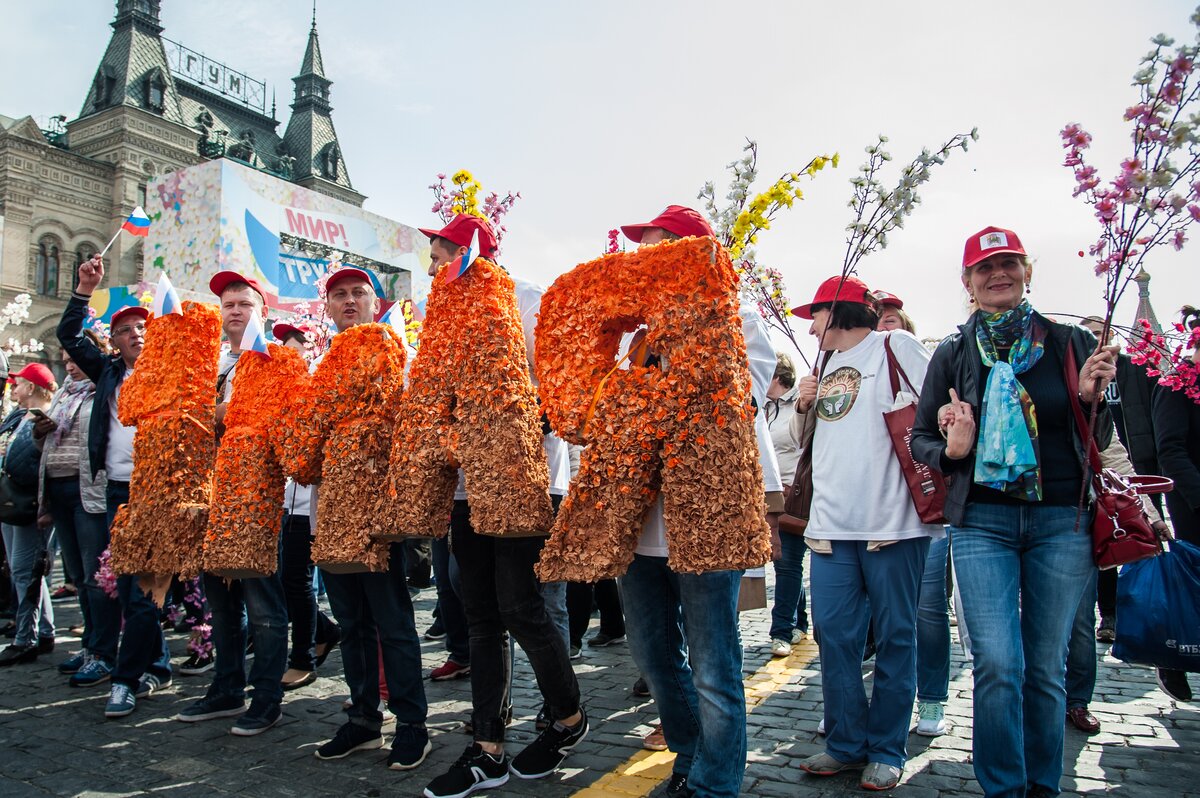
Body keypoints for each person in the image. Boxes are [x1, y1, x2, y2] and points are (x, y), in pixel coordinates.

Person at [911, 226, 1118, 798]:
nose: (997, 274)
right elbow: (921, 438)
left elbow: (1095, 433)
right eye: (985, 267)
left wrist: (1093, 399)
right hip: (981, 521)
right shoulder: (954, 353)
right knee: (999, 663)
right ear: (967, 282)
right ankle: (1003, 787)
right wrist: (952, 451)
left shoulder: (1069, 342)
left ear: (1027, 271)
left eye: (1008, 264)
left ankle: (1041, 784)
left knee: (1045, 668)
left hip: (1061, 520)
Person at [612, 205, 781, 798]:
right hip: (638, 522)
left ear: (687, 251)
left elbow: (744, 393)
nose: (642, 256)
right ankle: (688, 756)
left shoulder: (736, 312)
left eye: (654, 243)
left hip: (707, 515)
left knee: (713, 662)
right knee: (654, 654)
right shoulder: (633, 332)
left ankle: (716, 783)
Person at [418, 214, 586, 798]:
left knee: (522, 606)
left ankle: (567, 715)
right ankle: (486, 746)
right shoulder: (440, 312)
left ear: (468, 250)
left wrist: (508, 429)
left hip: (523, 477)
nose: (434, 262)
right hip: (465, 484)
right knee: (481, 615)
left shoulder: (524, 299)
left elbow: (559, 385)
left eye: (440, 250)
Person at [790, 276, 941, 791]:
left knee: (897, 637)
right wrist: (803, 404)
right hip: (829, 525)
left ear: (840, 312)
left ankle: (887, 749)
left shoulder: (895, 345)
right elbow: (801, 442)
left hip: (891, 524)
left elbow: (939, 409)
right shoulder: (824, 364)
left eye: (815, 315)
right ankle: (846, 743)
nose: (810, 327)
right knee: (834, 637)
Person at [310, 267, 430, 771]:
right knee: (353, 623)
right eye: (340, 294)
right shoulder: (320, 365)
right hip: (330, 514)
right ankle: (363, 719)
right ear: (329, 307)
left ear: (376, 303)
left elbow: (413, 426)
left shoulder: (397, 353)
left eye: (359, 292)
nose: (350, 300)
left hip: (377, 515)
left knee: (393, 622)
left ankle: (412, 726)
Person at [175, 271, 289, 735]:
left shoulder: (276, 359)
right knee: (220, 599)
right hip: (208, 494)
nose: (236, 311)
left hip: (256, 496)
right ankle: (226, 687)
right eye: (228, 305)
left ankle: (266, 697)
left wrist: (218, 412)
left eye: (244, 303)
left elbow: (279, 419)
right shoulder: (209, 363)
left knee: (262, 601)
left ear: (263, 311)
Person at [60, 255, 173, 719]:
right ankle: (155, 665)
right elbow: (68, 337)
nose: (136, 334)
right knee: (126, 586)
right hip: (116, 493)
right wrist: (84, 290)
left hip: (157, 494)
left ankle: (125, 681)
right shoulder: (106, 372)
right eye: (126, 329)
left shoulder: (170, 376)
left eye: (142, 327)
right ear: (115, 339)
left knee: (144, 590)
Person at [871, 296, 952, 737]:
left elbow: (943, 415)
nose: (883, 322)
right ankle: (883, 704)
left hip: (921, 508)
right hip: (872, 512)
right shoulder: (842, 366)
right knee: (881, 616)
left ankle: (934, 698)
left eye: (891, 317)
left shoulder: (912, 358)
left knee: (926, 610)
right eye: (876, 314)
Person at [1064, 434, 1169, 733]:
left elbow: (1115, 460)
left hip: (1074, 519)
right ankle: (1034, 697)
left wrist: (1150, 514)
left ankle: (1077, 700)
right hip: (1005, 516)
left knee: (1080, 619)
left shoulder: (1084, 390)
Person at [34, 333, 120, 685]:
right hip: (59, 489)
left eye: (76, 358)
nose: (70, 365)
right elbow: (47, 441)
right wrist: (40, 430)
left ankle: (104, 652)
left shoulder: (102, 389)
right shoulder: (64, 393)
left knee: (94, 575)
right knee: (76, 576)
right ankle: (90, 645)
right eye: (66, 359)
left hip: (90, 492)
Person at [1079, 315, 1161, 642]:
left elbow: (1116, 452)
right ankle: (1109, 614)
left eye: (1100, 334)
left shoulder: (1136, 370)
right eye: (1088, 336)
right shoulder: (1072, 377)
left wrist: (1150, 512)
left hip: (1134, 466)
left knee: (1132, 544)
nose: (1095, 341)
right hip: (1083, 491)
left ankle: (1136, 613)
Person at [272, 321, 341, 692]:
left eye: (294, 341)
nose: (288, 347)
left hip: (312, 499)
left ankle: (304, 655)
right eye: (283, 341)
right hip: (289, 497)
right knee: (289, 579)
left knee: (297, 580)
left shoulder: (322, 373)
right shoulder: (283, 381)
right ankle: (325, 631)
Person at [1149, 304, 1200, 703]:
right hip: (1193, 505)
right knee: (1191, 588)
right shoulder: (1175, 385)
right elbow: (1171, 450)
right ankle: (1174, 657)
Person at [0, 363, 59, 666]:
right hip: (9, 500)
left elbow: (51, 464)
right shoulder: (15, 416)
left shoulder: (48, 418)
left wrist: (46, 506)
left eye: (18, 383)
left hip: (31, 505)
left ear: (33, 387)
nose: (13, 387)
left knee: (26, 571)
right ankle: (45, 632)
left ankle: (26, 638)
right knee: (22, 569)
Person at [764, 352, 807, 657]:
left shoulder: (798, 405)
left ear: (777, 376)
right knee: (788, 563)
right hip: (773, 493)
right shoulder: (766, 407)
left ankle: (780, 630)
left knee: (787, 562)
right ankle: (799, 621)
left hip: (796, 492)